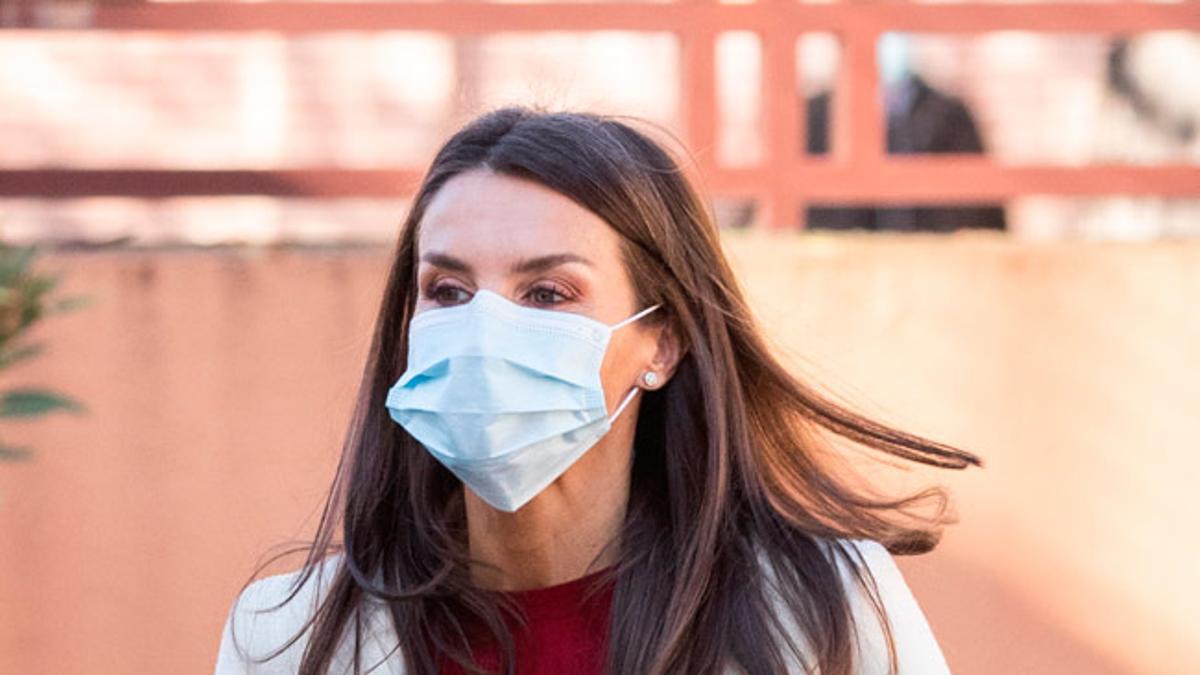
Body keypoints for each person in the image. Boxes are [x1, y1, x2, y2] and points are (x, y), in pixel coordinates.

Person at [213, 106, 982, 675]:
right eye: (448, 290)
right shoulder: (284, 636)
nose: (485, 329)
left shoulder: (822, 612)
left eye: (547, 293)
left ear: (662, 339)